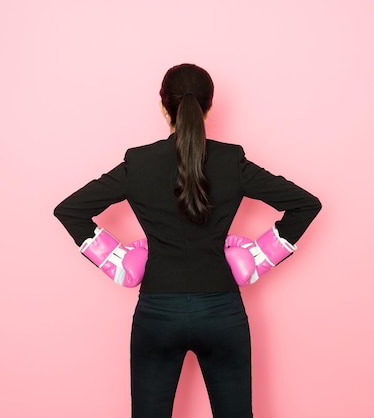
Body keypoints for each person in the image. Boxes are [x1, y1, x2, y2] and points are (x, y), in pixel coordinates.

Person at [53, 63, 322, 418]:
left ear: (163, 107)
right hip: (223, 314)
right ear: (208, 107)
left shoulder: (139, 163)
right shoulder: (231, 161)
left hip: (157, 315)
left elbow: (69, 210)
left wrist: (116, 258)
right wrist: (259, 256)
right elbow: (306, 205)